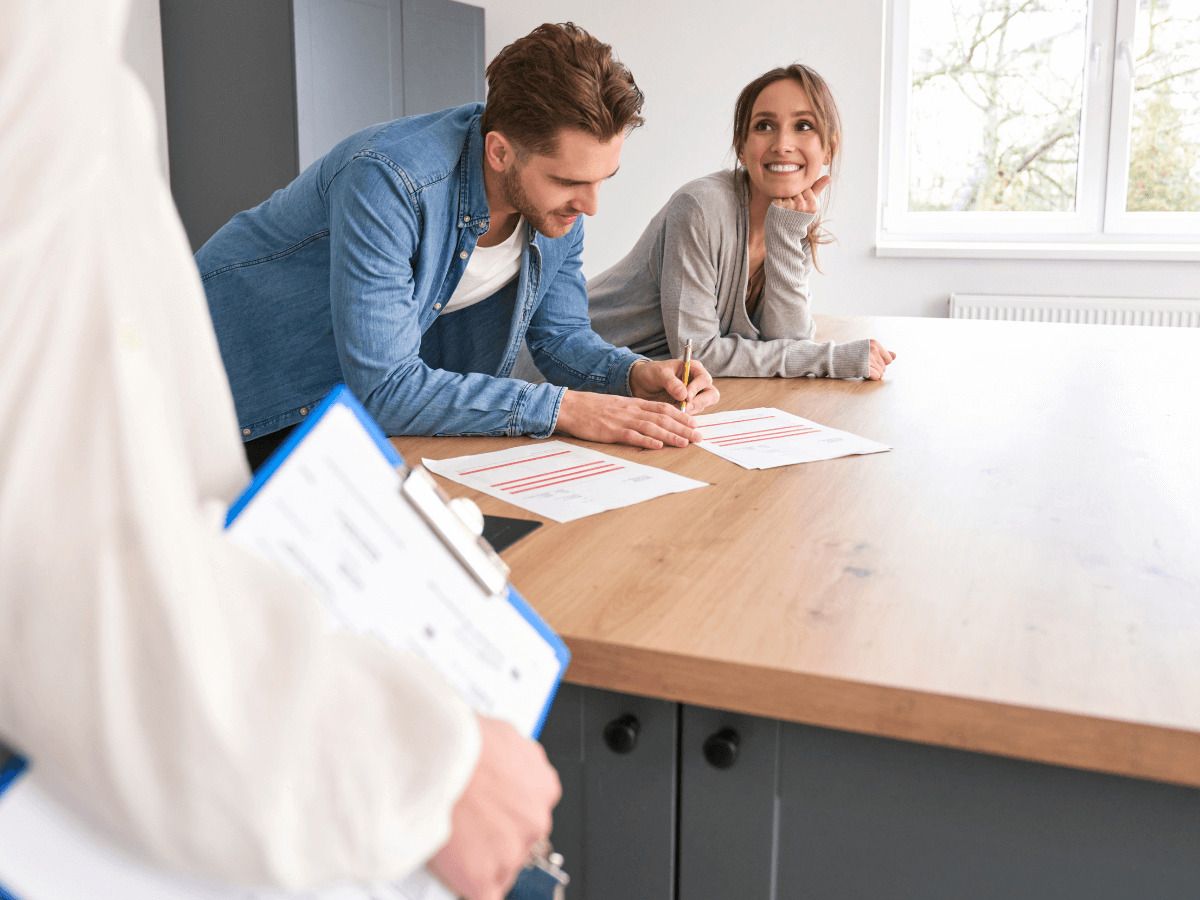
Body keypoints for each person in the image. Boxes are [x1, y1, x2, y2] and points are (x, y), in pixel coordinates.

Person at [0, 1, 559, 898]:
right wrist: (425, 780)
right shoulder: (396, 174)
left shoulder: (77, 61)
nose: (590, 203)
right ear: (504, 152)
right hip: (263, 404)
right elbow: (64, 570)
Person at [196, 24, 719, 469]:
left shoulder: (556, 206)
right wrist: (566, 408)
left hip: (340, 411)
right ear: (500, 152)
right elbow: (385, 391)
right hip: (227, 389)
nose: (591, 205)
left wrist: (632, 374)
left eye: (603, 178)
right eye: (567, 181)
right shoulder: (389, 182)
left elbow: (559, 336)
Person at [587, 64, 896, 380]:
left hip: (636, 390)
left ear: (829, 148)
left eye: (804, 126)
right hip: (565, 371)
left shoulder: (791, 222)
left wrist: (787, 236)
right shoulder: (699, 207)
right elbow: (697, 354)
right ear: (741, 146)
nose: (782, 144)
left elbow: (790, 344)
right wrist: (832, 358)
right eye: (764, 126)